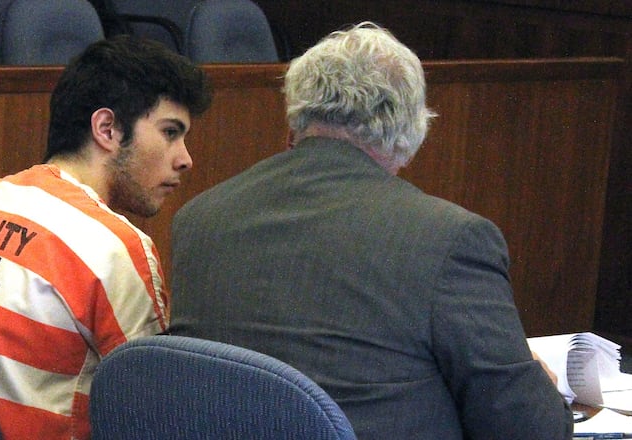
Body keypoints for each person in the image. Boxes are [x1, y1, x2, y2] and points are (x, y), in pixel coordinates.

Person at [168, 22, 572, 439]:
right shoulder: (451, 239)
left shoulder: (200, 219)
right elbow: (526, 428)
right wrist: (544, 388)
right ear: (411, 133)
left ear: (295, 118)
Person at [0, 35, 211, 440]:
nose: (185, 158)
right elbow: (153, 413)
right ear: (107, 129)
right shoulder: (113, 248)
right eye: (170, 132)